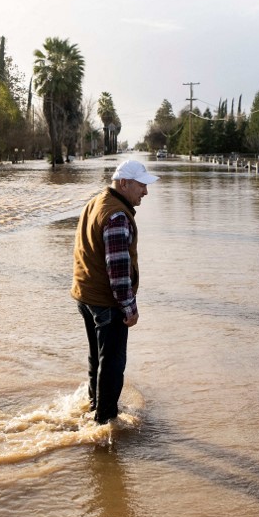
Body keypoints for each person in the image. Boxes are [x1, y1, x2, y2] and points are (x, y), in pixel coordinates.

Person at [71, 159, 159, 424]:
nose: (145, 192)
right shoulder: (117, 215)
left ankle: (96, 408)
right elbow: (118, 272)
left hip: (85, 296)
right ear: (124, 183)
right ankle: (105, 423)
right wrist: (130, 309)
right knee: (112, 364)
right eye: (141, 186)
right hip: (107, 302)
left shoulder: (96, 202)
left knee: (97, 359)